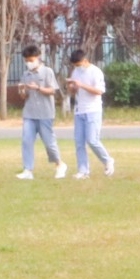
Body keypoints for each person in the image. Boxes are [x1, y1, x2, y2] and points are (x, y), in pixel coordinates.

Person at [15, 45, 66, 181]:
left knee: (49, 143)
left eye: (31, 60)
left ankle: (59, 164)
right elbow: (24, 96)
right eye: (26, 60)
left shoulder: (47, 72)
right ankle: (28, 169)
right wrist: (21, 90)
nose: (29, 63)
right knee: (26, 141)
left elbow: (52, 91)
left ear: (37, 57)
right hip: (29, 113)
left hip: (45, 113)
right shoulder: (26, 75)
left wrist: (38, 88)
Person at [66, 48, 115, 179]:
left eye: (78, 64)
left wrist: (81, 85)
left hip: (93, 110)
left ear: (85, 60)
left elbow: (99, 91)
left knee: (92, 140)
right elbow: (73, 91)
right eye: (75, 66)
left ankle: (107, 160)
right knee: (79, 142)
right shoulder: (76, 72)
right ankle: (83, 171)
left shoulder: (95, 72)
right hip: (79, 110)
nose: (77, 67)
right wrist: (72, 87)